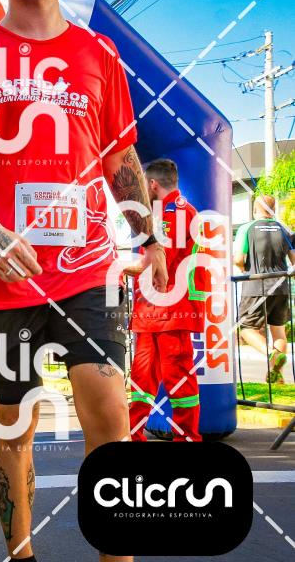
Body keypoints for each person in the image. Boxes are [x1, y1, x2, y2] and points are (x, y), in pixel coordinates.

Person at [0, 0, 168, 560]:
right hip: (4, 277)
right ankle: (21, 554)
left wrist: (150, 238)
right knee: (15, 423)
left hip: (88, 267)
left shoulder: (99, 53)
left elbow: (120, 159)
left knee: (110, 415)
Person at [124, 160, 205, 441]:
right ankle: (132, 434)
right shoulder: (170, 213)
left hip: (171, 310)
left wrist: (110, 265)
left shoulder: (174, 213)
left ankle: (187, 438)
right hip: (156, 310)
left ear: (152, 184)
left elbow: (158, 262)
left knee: (177, 377)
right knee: (142, 377)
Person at [233, 194, 295, 383]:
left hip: (256, 286)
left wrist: (243, 269)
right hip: (281, 286)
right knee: (278, 331)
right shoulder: (285, 229)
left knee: (245, 328)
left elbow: (238, 259)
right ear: (273, 210)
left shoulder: (246, 228)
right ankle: (277, 377)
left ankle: (271, 353)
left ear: (254, 210)